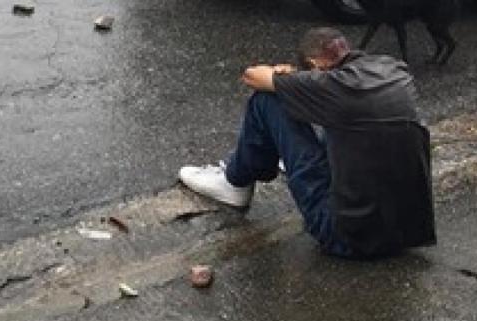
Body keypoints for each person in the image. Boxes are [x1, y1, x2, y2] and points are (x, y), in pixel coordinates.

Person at [178, 28, 437, 258]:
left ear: (315, 65)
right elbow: (343, 101)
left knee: (267, 101)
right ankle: (275, 161)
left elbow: (252, 76)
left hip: (348, 239)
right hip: (407, 232)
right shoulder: (394, 70)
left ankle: (234, 184)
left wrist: (288, 78)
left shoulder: (330, 86)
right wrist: (300, 82)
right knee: (357, 123)